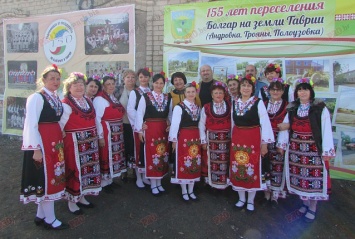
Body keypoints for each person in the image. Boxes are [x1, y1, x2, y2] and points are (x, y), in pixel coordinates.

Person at [20, 64, 69, 230]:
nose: (55, 81)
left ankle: (41, 215)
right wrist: (36, 149)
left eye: (57, 79)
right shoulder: (37, 97)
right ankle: (50, 219)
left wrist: (60, 132)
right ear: (43, 80)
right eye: (52, 79)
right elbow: (31, 124)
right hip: (42, 143)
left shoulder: (54, 96)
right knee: (47, 179)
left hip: (54, 142)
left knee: (51, 177)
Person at [282, 78, 335, 222]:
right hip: (296, 150)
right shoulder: (293, 108)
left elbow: (326, 130)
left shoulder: (319, 108)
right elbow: (286, 126)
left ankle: (313, 207)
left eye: (305, 89)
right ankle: (304, 204)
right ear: (296, 92)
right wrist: (282, 144)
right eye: (300, 89)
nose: (302, 92)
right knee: (301, 178)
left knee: (313, 179)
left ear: (311, 91)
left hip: (313, 151)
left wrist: (326, 151)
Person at [230, 75, 274, 211]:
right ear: (240, 88)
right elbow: (232, 122)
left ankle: (250, 200)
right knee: (238, 166)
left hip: (253, 139)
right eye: (243, 85)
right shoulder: (234, 102)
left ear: (253, 88)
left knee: (252, 167)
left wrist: (264, 144)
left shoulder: (258, 102)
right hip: (237, 139)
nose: (245, 88)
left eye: (249, 86)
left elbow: (265, 123)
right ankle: (241, 198)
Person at [60, 72, 101, 214]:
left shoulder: (87, 100)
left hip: (89, 141)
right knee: (75, 169)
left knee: (86, 169)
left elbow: (95, 119)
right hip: (74, 142)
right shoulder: (66, 103)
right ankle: (72, 201)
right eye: (75, 85)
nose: (79, 87)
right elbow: (60, 125)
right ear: (69, 87)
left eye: (81, 84)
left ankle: (82, 196)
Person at [135, 73, 171, 196]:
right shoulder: (145, 97)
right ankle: (153, 184)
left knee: (162, 155)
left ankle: (159, 182)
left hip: (163, 129)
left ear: (164, 84)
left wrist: (169, 124)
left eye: (161, 83)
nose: (159, 85)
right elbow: (140, 113)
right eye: (156, 83)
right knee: (152, 155)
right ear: (152, 83)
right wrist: (140, 130)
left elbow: (170, 114)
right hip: (150, 129)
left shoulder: (168, 97)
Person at [93, 74, 126, 193]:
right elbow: (97, 118)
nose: (111, 86)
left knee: (114, 156)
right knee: (106, 154)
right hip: (107, 131)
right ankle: (104, 182)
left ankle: (110, 180)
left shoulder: (112, 97)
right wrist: (100, 136)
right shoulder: (100, 99)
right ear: (103, 86)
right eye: (108, 84)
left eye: (113, 84)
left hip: (116, 132)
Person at [169, 82, 201, 201]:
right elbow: (175, 125)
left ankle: (191, 190)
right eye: (188, 92)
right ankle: (184, 191)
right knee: (183, 162)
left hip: (195, 138)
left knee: (194, 162)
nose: (191, 94)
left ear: (196, 92)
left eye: (193, 92)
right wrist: (174, 140)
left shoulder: (198, 107)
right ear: (184, 93)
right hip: (183, 137)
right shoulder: (179, 107)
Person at [261, 79, 289, 207]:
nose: (275, 92)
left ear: (283, 91)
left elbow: (289, 124)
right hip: (265, 139)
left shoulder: (288, 106)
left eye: (278, 89)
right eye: (273, 89)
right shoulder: (263, 104)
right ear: (269, 91)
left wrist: (281, 144)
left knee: (277, 166)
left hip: (279, 139)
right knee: (265, 166)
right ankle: (265, 191)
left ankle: (275, 194)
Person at [199, 82, 231, 190]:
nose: (218, 95)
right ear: (212, 95)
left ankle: (225, 185)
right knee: (211, 162)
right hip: (211, 140)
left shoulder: (230, 105)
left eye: (220, 93)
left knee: (226, 163)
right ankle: (212, 185)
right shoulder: (207, 107)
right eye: (216, 93)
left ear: (224, 94)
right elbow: (201, 124)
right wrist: (203, 140)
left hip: (227, 140)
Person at [127, 68, 151, 188]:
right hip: (139, 126)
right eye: (141, 77)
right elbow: (131, 110)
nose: (143, 79)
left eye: (146, 77)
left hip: (150, 127)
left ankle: (146, 175)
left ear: (149, 78)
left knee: (147, 151)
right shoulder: (134, 92)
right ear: (138, 79)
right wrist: (140, 123)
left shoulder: (151, 91)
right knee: (139, 150)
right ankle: (139, 177)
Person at [117, 69, 137, 177]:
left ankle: (134, 171)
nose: (130, 79)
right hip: (122, 124)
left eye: (133, 77)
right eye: (128, 77)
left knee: (134, 148)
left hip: (135, 125)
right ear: (123, 79)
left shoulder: (139, 91)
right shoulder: (118, 91)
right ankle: (123, 172)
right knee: (123, 147)